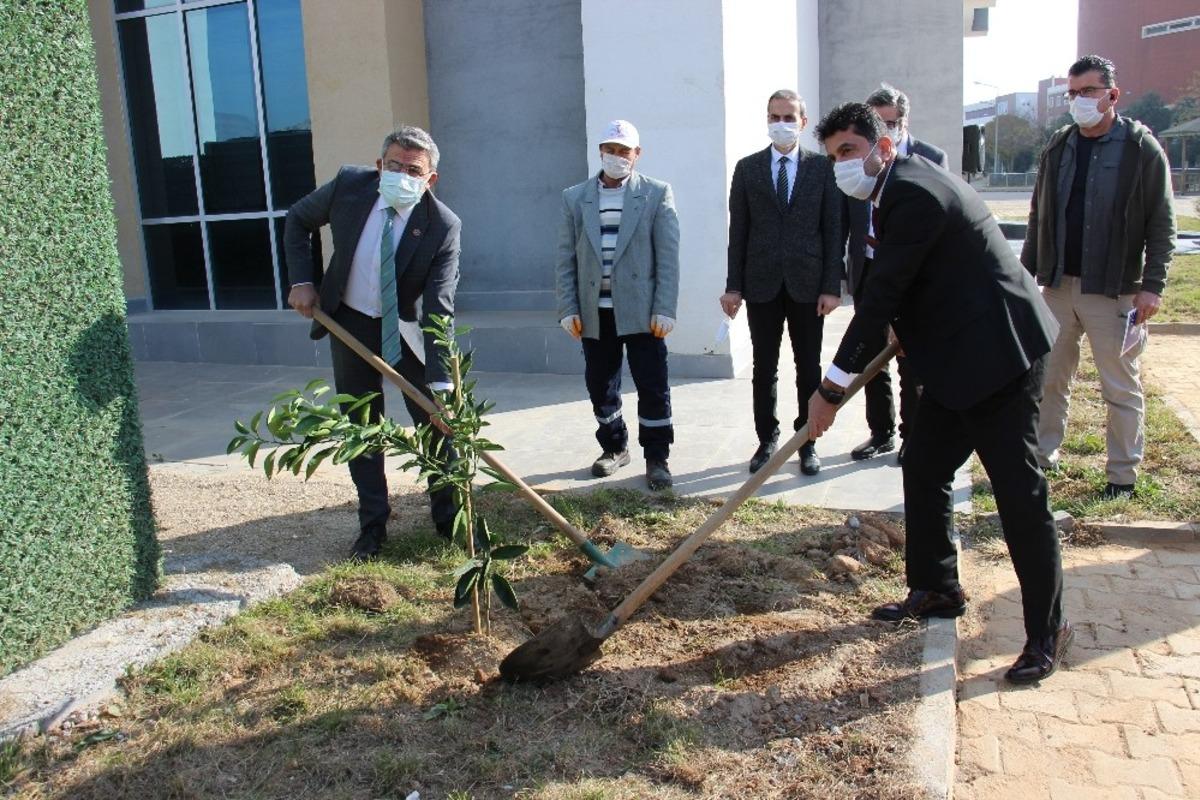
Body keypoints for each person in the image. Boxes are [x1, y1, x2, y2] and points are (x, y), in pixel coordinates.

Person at [809, 102, 1070, 684]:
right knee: (924, 465)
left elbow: (879, 295)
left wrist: (830, 387)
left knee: (1019, 496)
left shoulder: (915, 192)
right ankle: (936, 588)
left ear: (881, 144)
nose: (841, 165)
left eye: (848, 151)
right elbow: (916, 283)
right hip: (954, 361)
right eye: (832, 158)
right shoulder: (892, 190)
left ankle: (1046, 633)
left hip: (1000, 358)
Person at [284, 125, 461, 561]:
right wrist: (304, 280)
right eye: (395, 165)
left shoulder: (442, 226)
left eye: (414, 170)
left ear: (430, 179)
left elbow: (439, 308)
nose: (403, 174)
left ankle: (449, 522)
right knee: (362, 427)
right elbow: (298, 220)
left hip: (404, 328)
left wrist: (441, 386)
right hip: (349, 322)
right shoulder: (349, 186)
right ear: (380, 166)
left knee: (436, 424)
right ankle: (373, 527)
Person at [1022, 54, 1176, 499]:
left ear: (1112, 95)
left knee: (1120, 385)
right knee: (1049, 379)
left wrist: (1153, 286)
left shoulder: (1140, 149)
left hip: (1115, 291)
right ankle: (1042, 458)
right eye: (1072, 93)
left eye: (1087, 92)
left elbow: (1162, 224)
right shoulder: (1058, 146)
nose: (1078, 101)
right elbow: (1038, 217)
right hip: (1057, 287)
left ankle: (1122, 476)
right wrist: (1025, 277)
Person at [720, 90, 843, 476]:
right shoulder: (748, 168)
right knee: (764, 367)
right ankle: (767, 440)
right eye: (775, 116)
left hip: (809, 286)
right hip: (762, 284)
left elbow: (833, 230)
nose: (781, 124)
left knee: (808, 366)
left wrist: (831, 286)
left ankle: (807, 441)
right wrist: (733, 286)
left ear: (803, 122)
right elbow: (738, 231)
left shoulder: (823, 168)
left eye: (789, 117)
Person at [556, 120, 680, 491]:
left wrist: (665, 307)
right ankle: (614, 446)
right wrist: (567, 307)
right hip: (595, 311)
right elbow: (565, 257)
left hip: (642, 311)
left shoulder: (656, 194)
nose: (617, 157)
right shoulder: (575, 198)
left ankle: (657, 457)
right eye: (611, 149)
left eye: (624, 150)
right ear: (601, 151)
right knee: (600, 384)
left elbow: (668, 256)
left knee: (653, 384)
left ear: (636, 155)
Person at [845, 84, 948, 465]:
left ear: (904, 121)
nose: (884, 130)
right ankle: (881, 431)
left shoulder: (930, 158)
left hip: (913, 274)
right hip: (870, 267)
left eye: (891, 122)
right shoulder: (860, 158)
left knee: (910, 356)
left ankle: (913, 434)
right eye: (876, 123)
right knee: (872, 356)